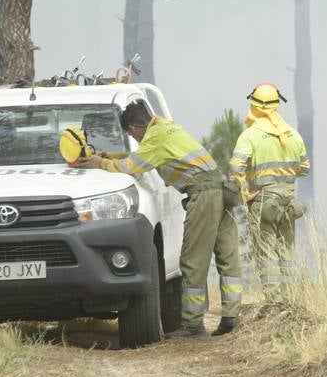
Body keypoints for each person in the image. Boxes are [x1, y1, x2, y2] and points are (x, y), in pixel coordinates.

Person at [71, 101, 242, 337]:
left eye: (130, 133)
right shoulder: (164, 127)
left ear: (135, 126)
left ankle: (192, 324)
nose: (134, 137)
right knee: (227, 255)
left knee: (192, 260)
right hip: (220, 190)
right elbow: (143, 155)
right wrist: (109, 155)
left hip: (203, 196)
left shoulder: (154, 136)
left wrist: (101, 163)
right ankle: (232, 316)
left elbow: (134, 166)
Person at [229, 83, 310, 301]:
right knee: (286, 251)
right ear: (276, 105)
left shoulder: (249, 136)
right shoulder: (293, 135)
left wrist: (245, 194)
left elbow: (235, 169)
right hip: (288, 203)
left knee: (265, 254)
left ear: (253, 105)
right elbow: (304, 169)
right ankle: (291, 298)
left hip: (263, 202)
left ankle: (274, 301)